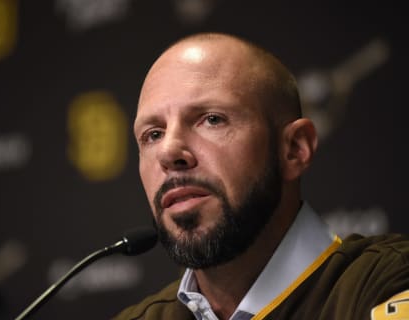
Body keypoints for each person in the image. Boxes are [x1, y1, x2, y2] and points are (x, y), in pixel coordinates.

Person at [113, 32, 409, 320]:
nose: (168, 153)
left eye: (212, 120)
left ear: (294, 148)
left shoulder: (390, 284)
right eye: (153, 135)